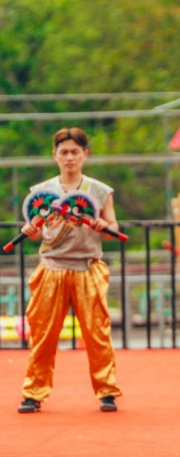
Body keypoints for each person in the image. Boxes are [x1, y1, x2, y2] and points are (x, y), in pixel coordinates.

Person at [18, 127, 122, 414]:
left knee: (97, 333)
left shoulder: (100, 191)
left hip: (88, 268)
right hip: (52, 268)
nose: (69, 157)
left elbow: (113, 228)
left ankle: (107, 390)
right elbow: (37, 234)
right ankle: (34, 391)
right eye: (63, 152)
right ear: (55, 156)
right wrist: (29, 229)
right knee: (43, 334)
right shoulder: (41, 192)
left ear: (85, 155)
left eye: (75, 151)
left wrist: (105, 226)